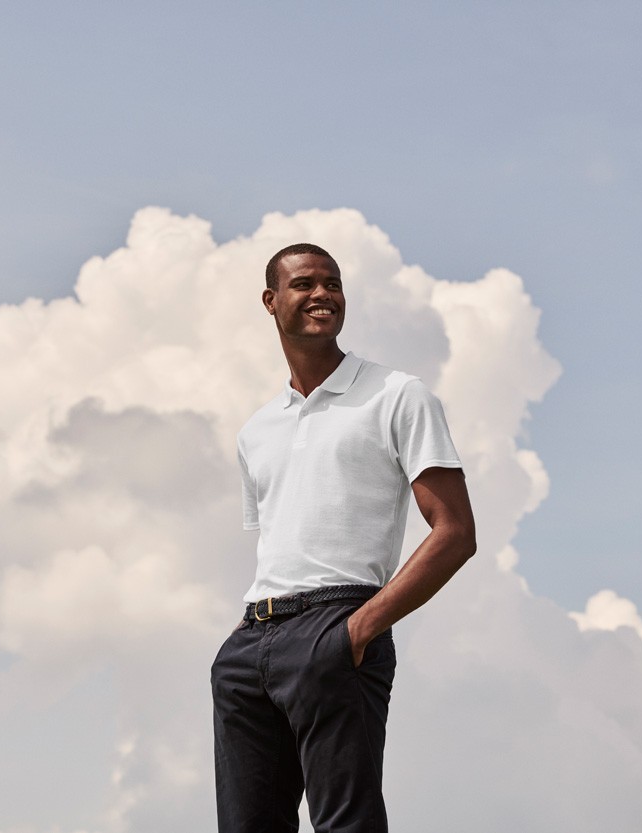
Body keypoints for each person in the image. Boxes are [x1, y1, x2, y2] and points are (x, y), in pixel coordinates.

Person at [211, 243, 477, 832]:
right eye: (304, 284)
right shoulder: (256, 431)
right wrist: (240, 642)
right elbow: (281, 545)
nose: (322, 295)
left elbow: (456, 532)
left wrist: (358, 629)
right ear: (270, 301)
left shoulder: (398, 394)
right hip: (251, 641)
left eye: (332, 283)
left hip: (338, 626)